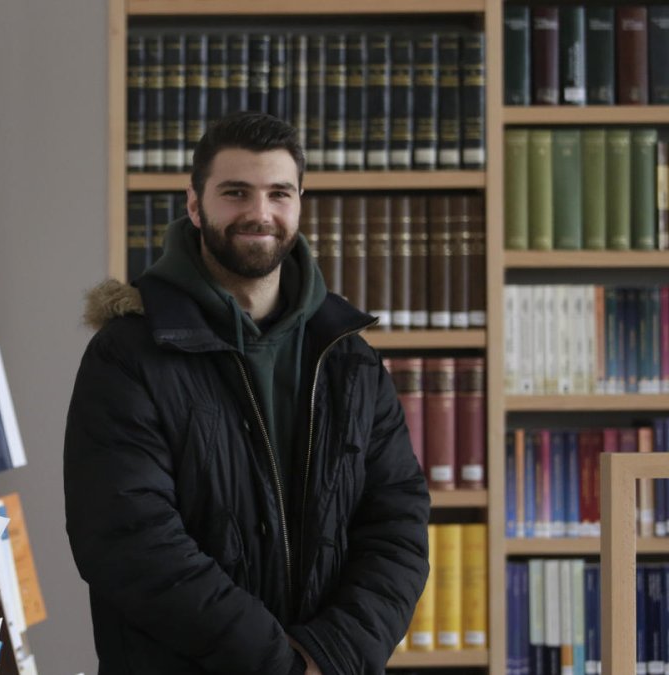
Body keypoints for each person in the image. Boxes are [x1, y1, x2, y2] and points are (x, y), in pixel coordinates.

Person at [63, 112, 430, 674]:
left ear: (299, 204)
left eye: (278, 193)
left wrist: (330, 655)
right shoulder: (129, 354)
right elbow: (129, 541)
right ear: (195, 204)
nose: (260, 213)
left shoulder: (350, 358)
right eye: (236, 193)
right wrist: (280, 664)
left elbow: (398, 525)